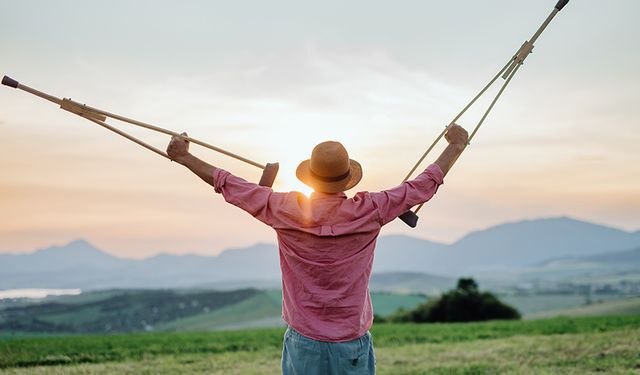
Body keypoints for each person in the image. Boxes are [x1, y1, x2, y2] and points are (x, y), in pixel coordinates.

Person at [166, 124, 468, 374]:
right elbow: (424, 184)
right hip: (351, 343)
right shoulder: (371, 209)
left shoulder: (284, 209)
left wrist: (184, 157)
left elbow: (227, 183)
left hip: (304, 343)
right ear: (346, 178)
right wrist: (456, 145)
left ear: (310, 175)